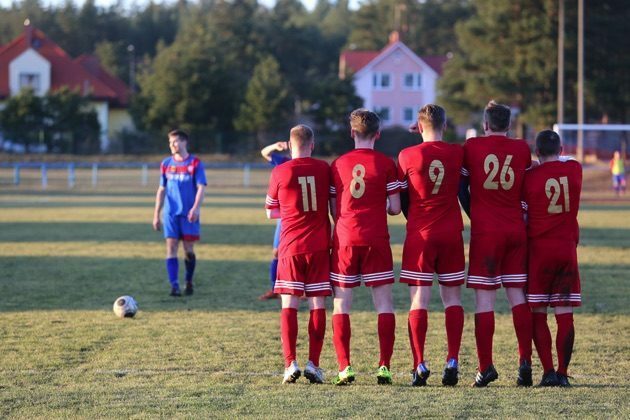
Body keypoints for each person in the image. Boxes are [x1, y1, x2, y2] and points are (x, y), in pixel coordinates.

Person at [458, 101, 534, 387]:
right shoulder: (522, 149)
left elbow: (460, 188)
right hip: (516, 229)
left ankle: (485, 366)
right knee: (517, 296)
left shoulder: (473, 147)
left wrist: (473, 213)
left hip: (486, 232)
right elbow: (527, 187)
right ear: (510, 125)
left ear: (486, 124)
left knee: (484, 300)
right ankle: (524, 363)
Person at [329, 109, 401, 385]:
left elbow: (334, 209)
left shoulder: (337, 164)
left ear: (351, 133)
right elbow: (395, 208)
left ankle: (345, 366)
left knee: (341, 305)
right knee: (383, 304)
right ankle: (384, 366)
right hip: (376, 238)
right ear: (378, 134)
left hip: (346, 238)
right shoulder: (386, 164)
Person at [397, 104, 465, 387]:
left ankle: (420, 364)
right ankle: (452, 360)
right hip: (451, 232)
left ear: (419, 126)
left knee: (419, 301)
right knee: (453, 300)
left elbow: (401, 198)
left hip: (421, 234)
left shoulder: (406, 155)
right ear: (446, 126)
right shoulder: (458, 153)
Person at [264, 125, 331, 384]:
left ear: (291, 145)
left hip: (291, 246)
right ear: (312, 145)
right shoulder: (325, 169)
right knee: (317, 304)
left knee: (288, 305)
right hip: (319, 245)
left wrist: (291, 213)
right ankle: (313, 364)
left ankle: (290, 363)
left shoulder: (281, 170)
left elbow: (270, 212)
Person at [523, 130, 582, 387]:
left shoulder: (529, 177)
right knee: (564, 313)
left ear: (537, 152)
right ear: (561, 149)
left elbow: (524, 217)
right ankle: (562, 372)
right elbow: (566, 160)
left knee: (538, 311)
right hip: (567, 248)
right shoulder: (575, 170)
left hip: (539, 250)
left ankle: (547, 371)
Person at [152, 129, 207, 296]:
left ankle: (189, 281)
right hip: (170, 214)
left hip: (189, 214)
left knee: (188, 249)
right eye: (170, 142)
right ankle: (174, 286)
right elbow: (161, 190)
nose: (172, 145)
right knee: (171, 247)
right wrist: (156, 214)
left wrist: (196, 207)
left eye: (175, 141)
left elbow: (201, 187)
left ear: (184, 142)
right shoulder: (166, 164)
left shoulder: (195, 163)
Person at [259, 141, 290, 300]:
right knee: (277, 252)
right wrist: (275, 146)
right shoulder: (284, 162)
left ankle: (307, 289)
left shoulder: (311, 165)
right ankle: (275, 289)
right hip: (285, 217)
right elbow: (265, 152)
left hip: (305, 218)